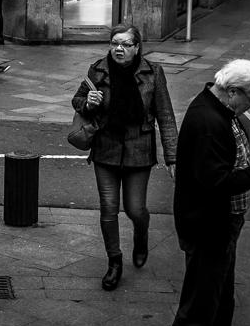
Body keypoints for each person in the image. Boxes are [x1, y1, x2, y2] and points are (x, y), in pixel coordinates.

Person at [149, 60, 250, 326]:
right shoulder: (208, 120)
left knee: (220, 305)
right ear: (233, 92)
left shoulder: (220, 109)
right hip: (208, 228)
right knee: (198, 310)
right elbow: (216, 182)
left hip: (221, 226)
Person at [71, 23, 177, 291]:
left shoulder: (153, 73)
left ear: (137, 47)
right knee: (108, 207)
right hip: (105, 148)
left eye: (125, 44)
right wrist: (88, 103)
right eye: (114, 43)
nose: (118, 48)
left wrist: (172, 157)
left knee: (135, 209)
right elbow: (78, 100)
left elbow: (165, 116)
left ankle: (141, 234)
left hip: (139, 150)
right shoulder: (98, 69)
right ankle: (114, 261)